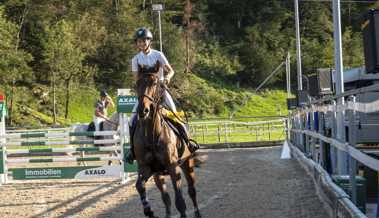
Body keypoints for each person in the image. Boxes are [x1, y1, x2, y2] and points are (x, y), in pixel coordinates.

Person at [126, 27, 199, 163]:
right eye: (139, 42)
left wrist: (166, 79)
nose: (141, 44)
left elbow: (171, 71)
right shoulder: (135, 59)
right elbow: (136, 78)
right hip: (146, 94)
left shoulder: (158, 55)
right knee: (131, 120)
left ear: (149, 41)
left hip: (160, 91)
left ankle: (188, 142)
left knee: (176, 115)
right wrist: (142, 89)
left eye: (143, 41)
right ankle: (132, 150)